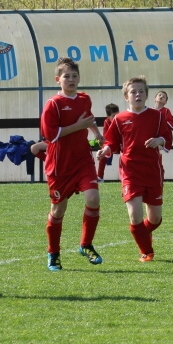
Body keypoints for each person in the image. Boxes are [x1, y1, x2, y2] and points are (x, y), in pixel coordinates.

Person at [40, 57, 104, 271]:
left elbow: (88, 118)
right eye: (66, 76)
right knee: (58, 210)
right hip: (60, 165)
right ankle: (53, 253)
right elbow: (50, 135)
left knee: (93, 198)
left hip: (82, 159)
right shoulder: (53, 104)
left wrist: (97, 133)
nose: (71, 79)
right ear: (57, 79)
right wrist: (78, 126)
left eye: (74, 76)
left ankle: (86, 245)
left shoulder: (84, 99)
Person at [99, 77, 173, 262]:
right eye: (133, 92)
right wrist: (106, 149)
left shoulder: (157, 116)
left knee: (155, 219)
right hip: (130, 172)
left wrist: (159, 140)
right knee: (135, 215)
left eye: (141, 91)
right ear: (126, 96)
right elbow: (112, 142)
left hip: (153, 171)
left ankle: (142, 233)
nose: (137, 95)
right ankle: (147, 252)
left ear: (147, 95)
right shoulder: (119, 119)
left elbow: (167, 137)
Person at [96, 103, 119, 181]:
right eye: (113, 116)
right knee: (103, 152)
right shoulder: (107, 122)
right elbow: (106, 137)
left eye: (117, 115)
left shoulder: (121, 120)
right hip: (112, 143)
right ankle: (100, 177)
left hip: (121, 144)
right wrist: (102, 142)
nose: (116, 118)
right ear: (108, 116)